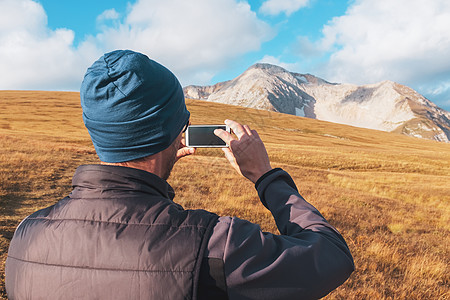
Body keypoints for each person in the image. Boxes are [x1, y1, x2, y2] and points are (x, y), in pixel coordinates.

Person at [5, 50, 354, 300]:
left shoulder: (25, 236)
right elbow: (332, 256)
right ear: (175, 131)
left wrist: (157, 166)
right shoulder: (213, 244)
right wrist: (265, 177)